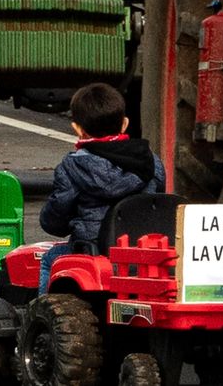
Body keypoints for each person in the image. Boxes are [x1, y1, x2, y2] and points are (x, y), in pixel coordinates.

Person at [37, 83, 165, 293]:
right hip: (144, 252)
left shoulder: (72, 166)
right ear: (124, 124)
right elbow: (155, 202)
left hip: (95, 251)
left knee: (50, 259)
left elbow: (55, 221)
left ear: (77, 128)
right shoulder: (151, 161)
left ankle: (40, 315)